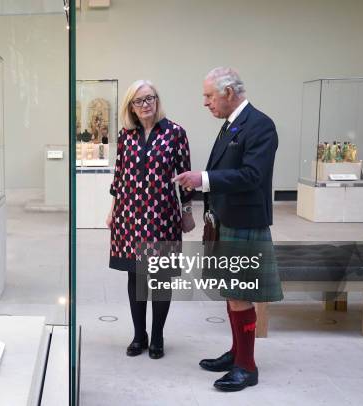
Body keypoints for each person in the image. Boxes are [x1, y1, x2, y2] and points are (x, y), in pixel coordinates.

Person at [173, 67, 283, 391]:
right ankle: (237, 352)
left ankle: (247, 368)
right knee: (231, 292)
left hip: (245, 221)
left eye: (209, 96)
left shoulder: (260, 126)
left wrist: (202, 179)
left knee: (240, 295)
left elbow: (252, 176)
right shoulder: (231, 125)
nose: (205, 102)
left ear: (229, 93)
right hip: (226, 219)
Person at [107, 80, 195, 359]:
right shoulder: (126, 136)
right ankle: (139, 335)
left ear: (157, 100)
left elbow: (185, 177)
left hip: (162, 214)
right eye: (138, 101)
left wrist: (187, 212)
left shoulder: (175, 133)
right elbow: (119, 177)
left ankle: (157, 336)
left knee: (159, 277)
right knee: (135, 275)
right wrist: (112, 210)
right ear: (130, 107)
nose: (145, 105)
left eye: (149, 99)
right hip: (129, 215)